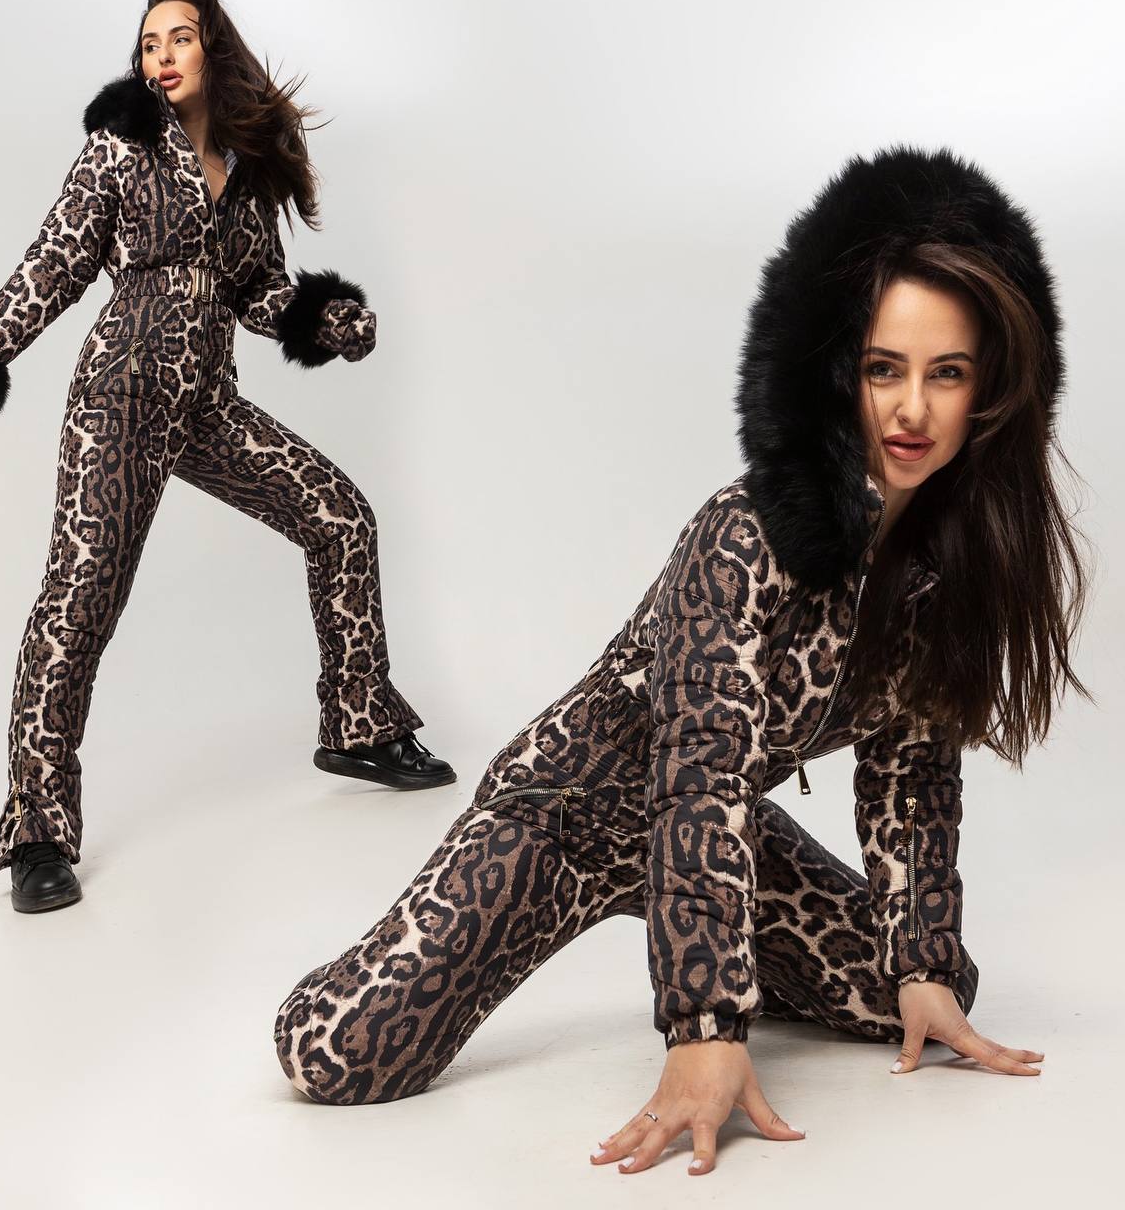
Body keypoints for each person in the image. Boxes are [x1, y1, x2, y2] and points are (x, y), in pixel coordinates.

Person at [272, 145, 1091, 1178]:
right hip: (571, 812)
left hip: (713, 831)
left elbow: (912, 772)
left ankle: (697, 913)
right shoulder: (741, 534)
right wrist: (704, 1025)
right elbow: (696, 772)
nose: (909, 410)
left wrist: (923, 958)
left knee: (921, 991)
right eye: (882, 368)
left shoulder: (938, 570)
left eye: (946, 373)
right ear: (835, 370)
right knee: (335, 1055)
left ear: (990, 393)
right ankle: (444, 944)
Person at [0, 0, 455, 914]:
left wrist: (326, 317)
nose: (160, 58)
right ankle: (38, 833)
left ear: (212, 47)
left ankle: (362, 724)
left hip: (206, 405)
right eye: (147, 44)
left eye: (177, 39)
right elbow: (55, 260)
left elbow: (258, 290)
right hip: (119, 399)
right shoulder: (121, 147)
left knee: (340, 518)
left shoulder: (247, 172)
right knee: (79, 600)